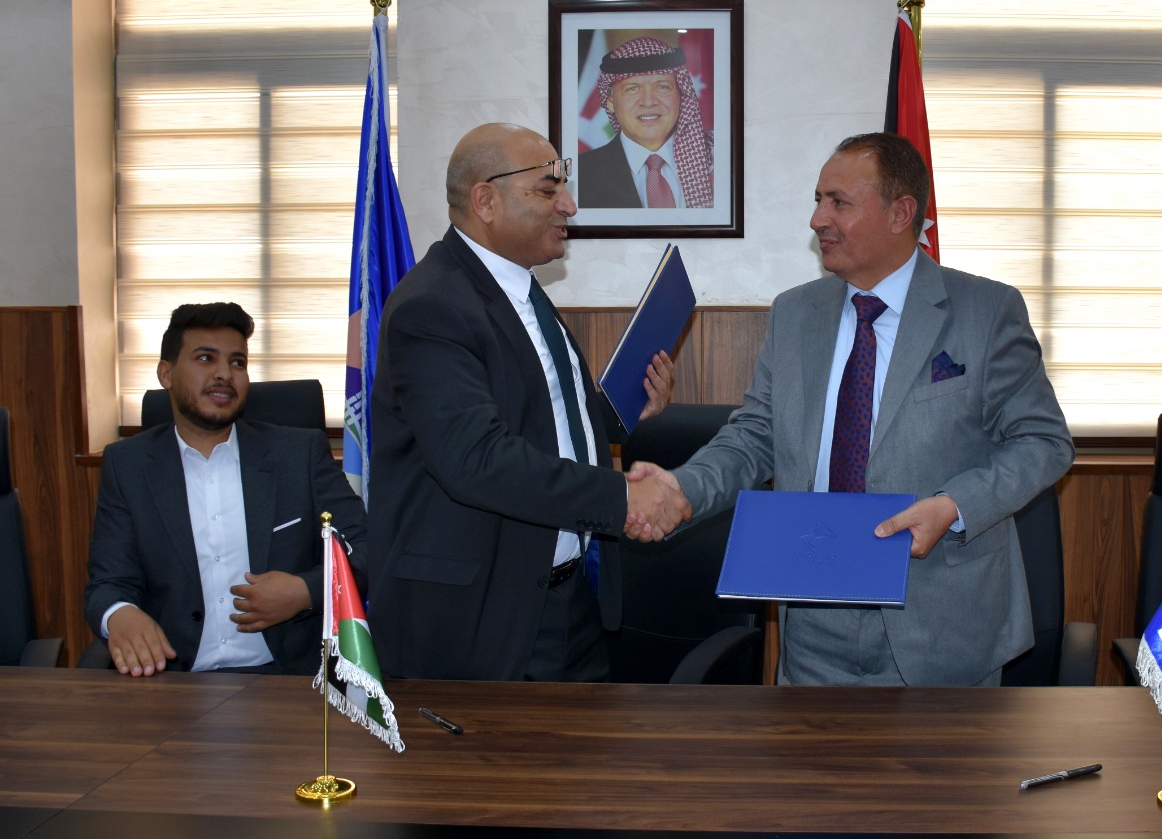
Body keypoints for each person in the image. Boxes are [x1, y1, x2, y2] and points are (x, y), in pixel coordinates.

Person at [628, 133, 1074, 687]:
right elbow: (755, 436)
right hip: (813, 620)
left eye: (838, 202)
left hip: (942, 621)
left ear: (900, 213)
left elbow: (1043, 443)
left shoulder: (986, 311)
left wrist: (953, 506)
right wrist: (681, 487)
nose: (818, 219)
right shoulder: (796, 313)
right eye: (818, 199)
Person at [365, 122, 685, 682]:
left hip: (570, 602)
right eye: (547, 189)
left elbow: (540, 414)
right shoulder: (432, 305)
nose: (569, 205)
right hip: (481, 620)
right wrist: (623, 498)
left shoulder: (519, 289)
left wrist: (620, 412)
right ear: (485, 201)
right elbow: (477, 458)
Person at [84, 302, 367, 677]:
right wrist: (119, 614)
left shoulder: (298, 454)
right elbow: (108, 582)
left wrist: (305, 591)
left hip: (290, 679)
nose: (224, 374)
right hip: (173, 678)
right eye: (205, 358)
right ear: (166, 374)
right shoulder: (129, 465)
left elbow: (366, 550)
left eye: (238, 362)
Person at [577, 36, 714, 210]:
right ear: (610, 101)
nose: (648, 102)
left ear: (681, 95)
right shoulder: (582, 173)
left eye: (662, 87)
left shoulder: (716, 160)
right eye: (632, 89)